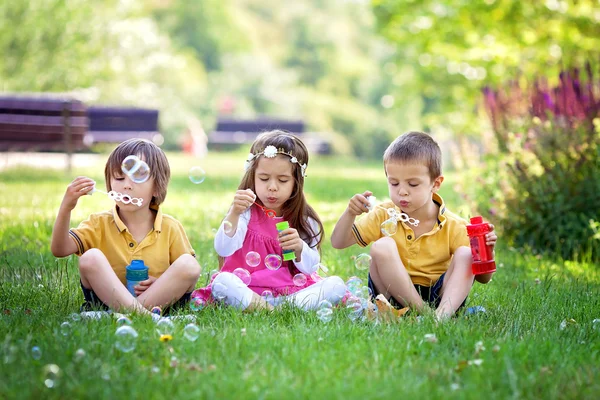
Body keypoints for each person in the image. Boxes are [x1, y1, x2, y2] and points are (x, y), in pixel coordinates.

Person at [330, 131, 497, 319]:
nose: (402, 191)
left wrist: (486, 252)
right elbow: (338, 242)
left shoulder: (454, 226)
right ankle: (425, 315)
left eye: (413, 184)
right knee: (382, 246)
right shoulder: (384, 214)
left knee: (466, 254)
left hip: (440, 298)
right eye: (394, 183)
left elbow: (483, 279)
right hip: (391, 296)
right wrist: (350, 213)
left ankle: (440, 318)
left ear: (435, 184)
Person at [193, 131, 346, 311]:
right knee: (222, 282)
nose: (272, 187)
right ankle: (278, 310)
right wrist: (234, 213)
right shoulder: (245, 213)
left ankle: (270, 310)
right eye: (264, 178)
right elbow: (223, 248)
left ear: (296, 182)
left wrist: (299, 248)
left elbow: (310, 268)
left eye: (282, 180)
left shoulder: (303, 219)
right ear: (253, 176)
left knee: (336, 285)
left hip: (290, 292)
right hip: (249, 290)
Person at [51, 138, 201, 315]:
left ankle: (128, 314)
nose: (127, 186)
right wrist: (66, 208)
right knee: (90, 257)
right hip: (107, 301)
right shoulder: (98, 224)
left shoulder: (170, 227)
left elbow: (187, 275)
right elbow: (59, 249)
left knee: (189, 264)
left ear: (157, 188)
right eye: (119, 178)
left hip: (156, 301)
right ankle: (144, 316)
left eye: (137, 178)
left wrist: (160, 283)